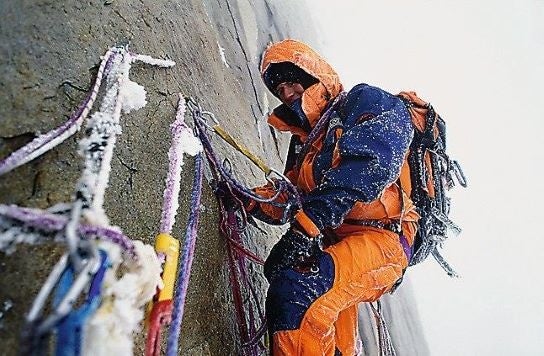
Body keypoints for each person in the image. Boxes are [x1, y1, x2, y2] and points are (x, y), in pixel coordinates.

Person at [246, 39, 420, 355]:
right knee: (328, 334)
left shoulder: (364, 101)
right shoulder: (305, 148)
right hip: (338, 242)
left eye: (290, 80)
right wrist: (246, 199)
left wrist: (305, 229)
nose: (285, 93)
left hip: (384, 242)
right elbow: (289, 197)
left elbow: (372, 163)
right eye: (279, 89)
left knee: (299, 294)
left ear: (314, 74)